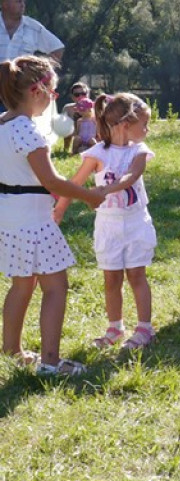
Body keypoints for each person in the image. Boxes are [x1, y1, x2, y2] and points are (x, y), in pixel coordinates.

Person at [1, 56, 107, 376]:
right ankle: (50, 363)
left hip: (10, 216)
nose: (53, 99)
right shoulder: (28, 131)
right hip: (33, 219)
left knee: (22, 284)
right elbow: (51, 181)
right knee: (56, 287)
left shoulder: (3, 123)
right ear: (37, 91)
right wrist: (89, 196)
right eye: (53, 93)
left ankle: (11, 351)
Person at [54, 93, 158, 350]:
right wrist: (59, 210)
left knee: (137, 275)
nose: (147, 130)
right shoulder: (96, 154)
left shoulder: (139, 151)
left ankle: (145, 328)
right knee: (111, 279)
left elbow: (131, 177)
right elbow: (75, 184)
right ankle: (115, 328)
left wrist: (102, 191)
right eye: (144, 124)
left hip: (136, 223)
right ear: (125, 125)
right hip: (108, 226)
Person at [60, 82, 91, 153]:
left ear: (88, 94)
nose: (81, 97)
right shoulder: (68, 108)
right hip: (75, 133)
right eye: (77, 95)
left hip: (90, 136)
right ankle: (66, 149)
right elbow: (62, 126)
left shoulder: (93, 109)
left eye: (83, 94)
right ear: (72, 97)